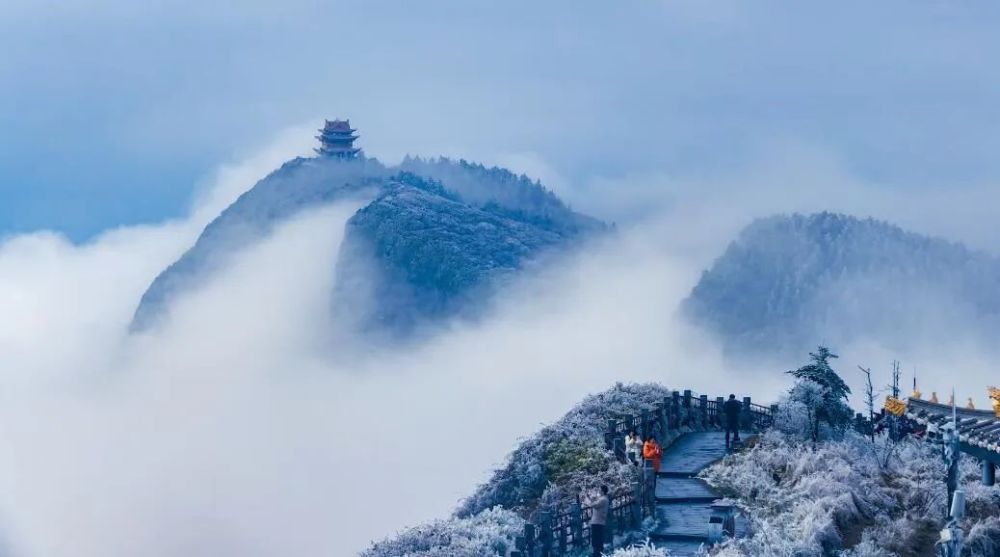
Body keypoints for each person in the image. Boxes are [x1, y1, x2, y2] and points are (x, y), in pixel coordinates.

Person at [586, 485, 610, 557]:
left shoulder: (603, 500)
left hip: (598, 522)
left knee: (596, 539)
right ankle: (598, 553)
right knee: (597, 539)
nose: (598, 491)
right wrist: (589, 498)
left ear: (602, 491)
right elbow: (595, 502)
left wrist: (587, 501)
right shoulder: (602, 499)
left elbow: (594, 505)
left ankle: (597, 554)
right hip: (598, 521)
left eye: (600, 490)